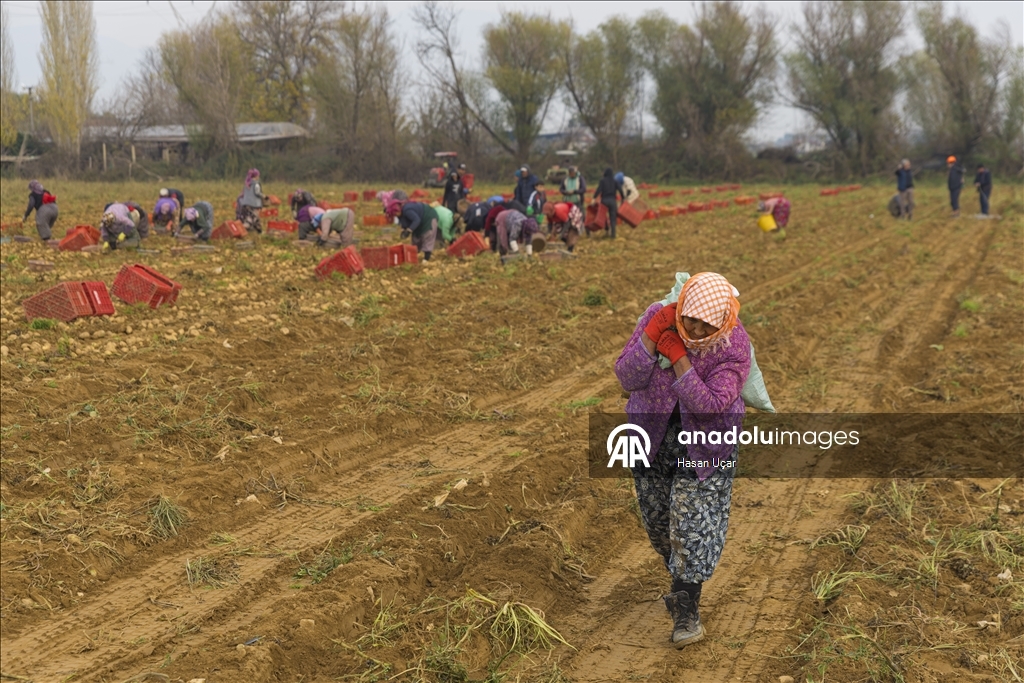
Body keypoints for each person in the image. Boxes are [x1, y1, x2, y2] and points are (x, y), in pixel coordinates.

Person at [615, 271, 750, 649]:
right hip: (651, 436)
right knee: (659, 523)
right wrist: (649, 337)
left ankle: (686, 605)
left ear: (722, 321)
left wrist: (677, 356)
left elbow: (708, 406)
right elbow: (627, 377)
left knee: (691, 524)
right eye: (688, 318)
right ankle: (681, 578)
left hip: (709, 444)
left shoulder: (734, 344)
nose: (692, 328)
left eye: (704, 324)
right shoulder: (659, 318)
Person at [593, 167, 625, 239]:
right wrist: (623, 198)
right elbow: (620, 190)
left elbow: (599, 190)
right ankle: (613, 234)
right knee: (613, 218)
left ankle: (607, 228)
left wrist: (594, 197)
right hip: (613, 201)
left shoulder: (602, 181)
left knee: (603, 216)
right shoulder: (615, 181)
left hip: (604, 200)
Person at [236, 168, 267, 233]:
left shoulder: (247, 183)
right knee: (256, 218)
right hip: (253, 204)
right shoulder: (256, 184)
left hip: (245, 204)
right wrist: (264, 196)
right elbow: (257, 193)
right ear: (256, 176)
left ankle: (248, 228)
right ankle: (259, 231)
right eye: (258, 175)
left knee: (249, 217)